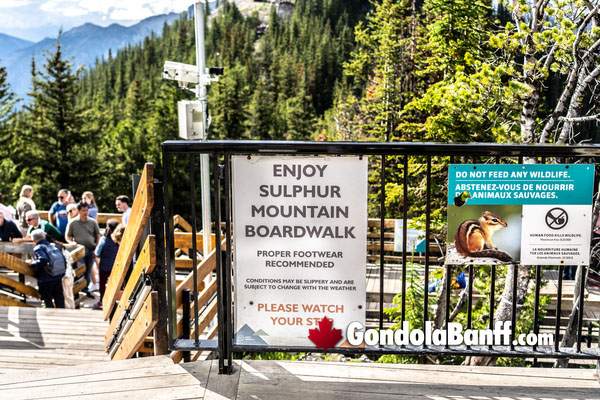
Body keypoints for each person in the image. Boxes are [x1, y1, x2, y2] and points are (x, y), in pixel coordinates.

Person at [65, 201, 100, 298]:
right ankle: (77, 291)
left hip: (91, 250)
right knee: (79, 271)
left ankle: (85, 290)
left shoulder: (92, 222)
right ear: (79, 211)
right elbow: (67, 236)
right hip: (79, 252)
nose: (85, 212)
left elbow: (98, 236)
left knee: (88, 272)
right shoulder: (73, 223)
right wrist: (71, 243)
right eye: (83, 210)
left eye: (87, 210)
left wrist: (96, 249)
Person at [29, 229, 65, 308]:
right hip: (57, 276)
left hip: (46, 278)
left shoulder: (38, 248)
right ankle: (62, 316)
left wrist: (32, 264)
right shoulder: (54, 245)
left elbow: (43, 260)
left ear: (34, 240)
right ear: (44, 236)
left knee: (47, 300)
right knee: (59, 298)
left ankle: (50, 317)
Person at [93, 219, 124, 310]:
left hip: (104, 265)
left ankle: (102, 300)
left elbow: (97, 252)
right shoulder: (119, 240)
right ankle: (114, 299)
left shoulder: (104, 239)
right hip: (116, 265)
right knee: (114, 283)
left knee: (103, 283)